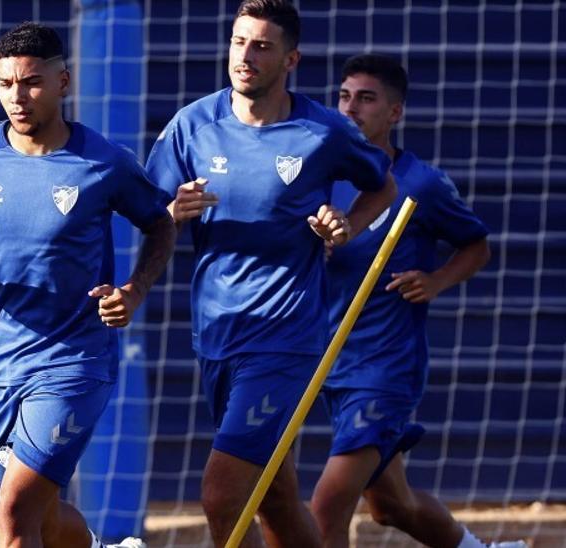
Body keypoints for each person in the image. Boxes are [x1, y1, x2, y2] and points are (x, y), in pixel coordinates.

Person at [0, 22, 177, 548]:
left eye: (30, 82)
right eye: (6, 83)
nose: (17, 96)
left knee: (12, 512)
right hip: (3, 361)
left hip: (77, 359)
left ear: (63, 82)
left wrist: (136, 290)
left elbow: (160, 222)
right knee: (42, 514)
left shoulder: (104, 162)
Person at [143, 1, 398, 545]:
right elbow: (151, 217)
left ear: (290, 59)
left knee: (222, 492)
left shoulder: (324, 130)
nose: (245, 56)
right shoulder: (192, 125)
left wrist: (347, 226)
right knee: (276, 498)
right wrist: (172, 213)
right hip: (215, 333)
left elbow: (384, 186)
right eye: (239, 42)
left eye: (261, 46)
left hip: (286, 336)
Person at [311, 53, 513, 548]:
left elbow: (476, 245)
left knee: (325, 509)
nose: (350, 108)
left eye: (366, 98)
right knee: (390, 506)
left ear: (394, 113)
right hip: (325, 363)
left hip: (384, 368)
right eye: (344, 96)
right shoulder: (320, 174)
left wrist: (438, 280)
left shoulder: (422, 183)